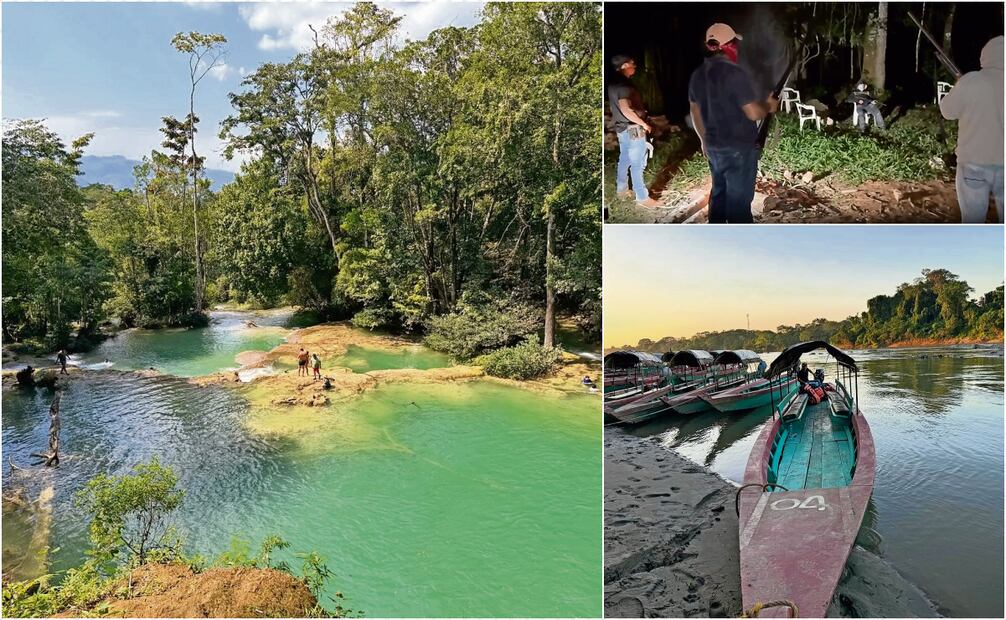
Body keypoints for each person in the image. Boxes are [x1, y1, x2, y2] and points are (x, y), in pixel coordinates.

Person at [688, 23, 780, 223]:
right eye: (735, 44)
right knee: (738, 205)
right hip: (738, 149)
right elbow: (754, 113)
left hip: (713, 148)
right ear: (729, 46)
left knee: (719, 197)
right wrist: (769, 105)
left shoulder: (698, 74)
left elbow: (694, 111)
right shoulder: (735, 74)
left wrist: (703, 140)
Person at [939, 36, 1004, 223]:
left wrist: (961, 85)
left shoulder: (971, 81)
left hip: (973, 164)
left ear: (985, 56)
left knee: (972, 221)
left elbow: (947, 111)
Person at [608, 54, 661, 208]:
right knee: (638, 163)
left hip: (622, 128)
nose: (635, 66)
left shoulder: (613, 83)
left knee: (624, 158)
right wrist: (643, 124)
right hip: (634, 128)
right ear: (624, 66)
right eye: (632, 63)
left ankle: (622, 190)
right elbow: (626, 109)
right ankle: (642, 197)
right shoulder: (624, 85)